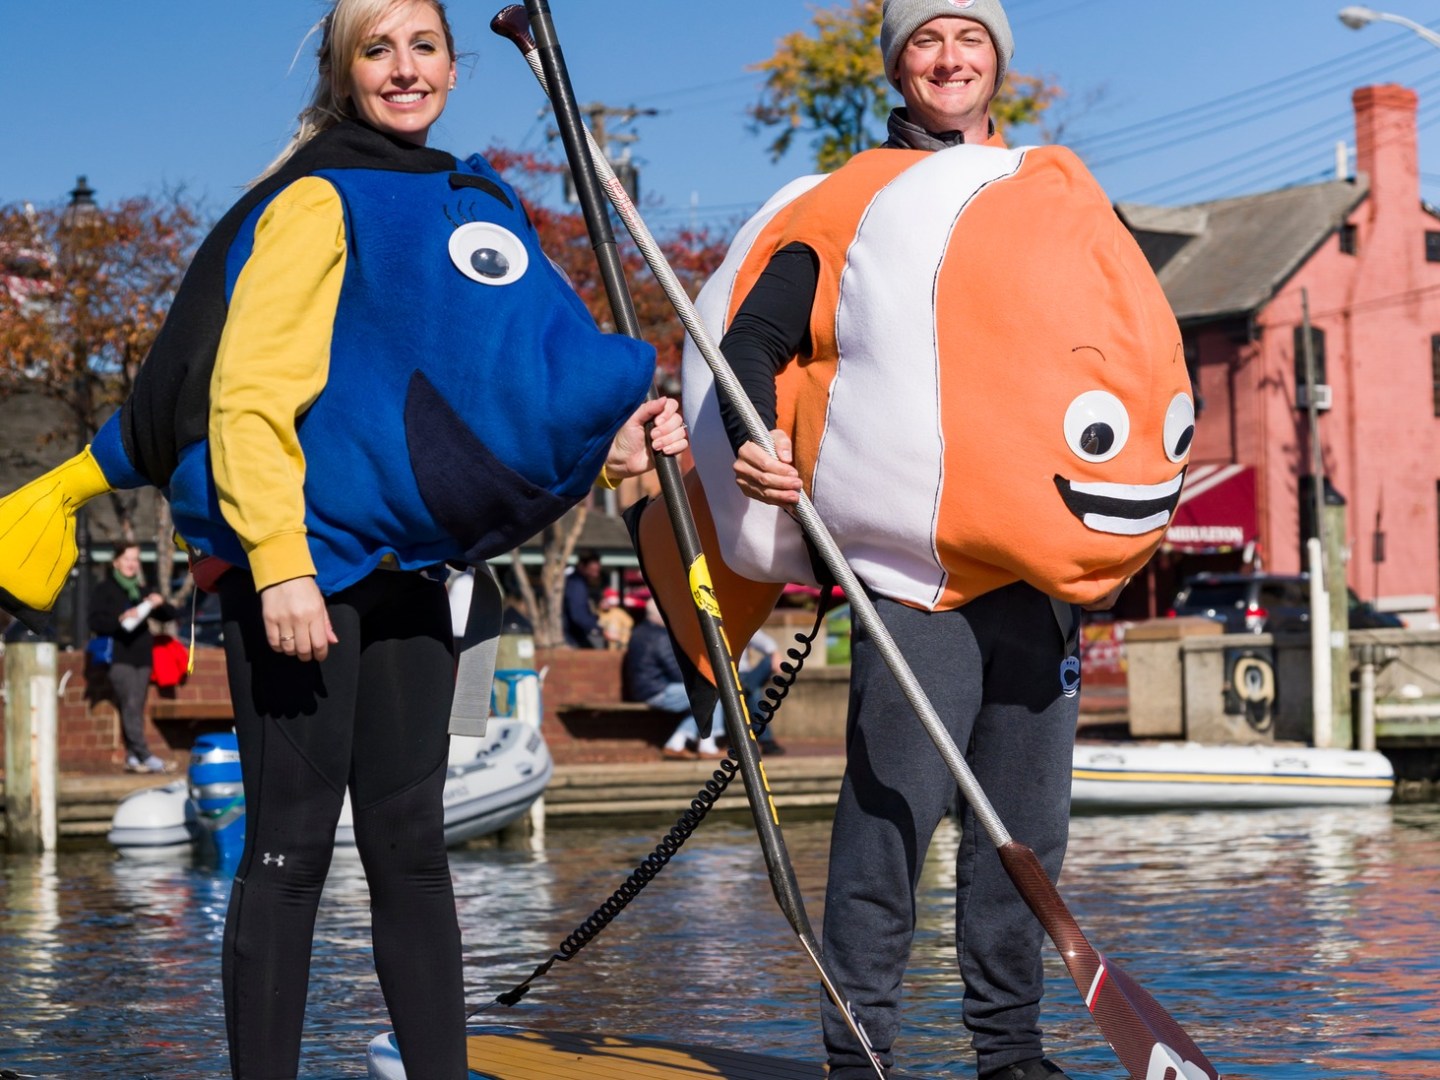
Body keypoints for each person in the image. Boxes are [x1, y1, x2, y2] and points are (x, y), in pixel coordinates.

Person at [0, 2, 685, 1076]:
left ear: (456, 66)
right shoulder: (316, 199)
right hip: (303, 572)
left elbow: (482, 401)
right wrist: (280, 569)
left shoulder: (473, 200)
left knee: (413, 853)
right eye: (379, 49)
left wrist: (619, 439)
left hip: (414, 569)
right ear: (343, 68)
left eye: (423, 46)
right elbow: (247, 398)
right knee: (287, 854)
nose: (404, 69)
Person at [630, 1, 1190, 1077]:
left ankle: (1009, 1052)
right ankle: (860, 1054)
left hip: (1036, 582)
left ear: (996, 62)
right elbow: (751, 341)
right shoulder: (850, 201)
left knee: (1025, 832)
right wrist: (759, 446)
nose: (949, 57)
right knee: (891, 820)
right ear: (897, 64)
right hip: (912, 583)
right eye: (927, 39)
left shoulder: (1050, 196)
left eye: (969, 38)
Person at [88, 544, 178, 773]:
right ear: (116, 562)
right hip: (119, 656)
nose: (132, 564)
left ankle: (132, 758)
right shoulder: (105, 589)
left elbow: (170, 616)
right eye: (127, 559)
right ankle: (145, 755)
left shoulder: (142, 589)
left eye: (135, 559)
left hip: (142, 656)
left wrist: (160, 602)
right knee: (130, 704)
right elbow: (95, 622)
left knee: (136, 705)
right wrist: (120, 618)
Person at [624, 599, 721, 760]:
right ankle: (707, 745)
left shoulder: (641, 631)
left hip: (645, 688)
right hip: (657, 691)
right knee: (712, 693)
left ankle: (675, 744)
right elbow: (678, 672)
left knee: (700, 701)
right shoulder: (660, 636)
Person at [562, 547, 605, 648]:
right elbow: (578, 615)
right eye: (593, 571)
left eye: (597, 571)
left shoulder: (576, 582)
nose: (596, 575)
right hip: (571, 638)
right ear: (582, 566)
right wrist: (597, 627)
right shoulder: (576, 584)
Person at [597, 586, 633, 650]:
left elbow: (629, 624)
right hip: (603, 647)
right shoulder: (597, 614)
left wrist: (622, 638)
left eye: (607, 601)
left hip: (620, 645)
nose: (605, 604)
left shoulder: (617, 612)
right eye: (603, 602)